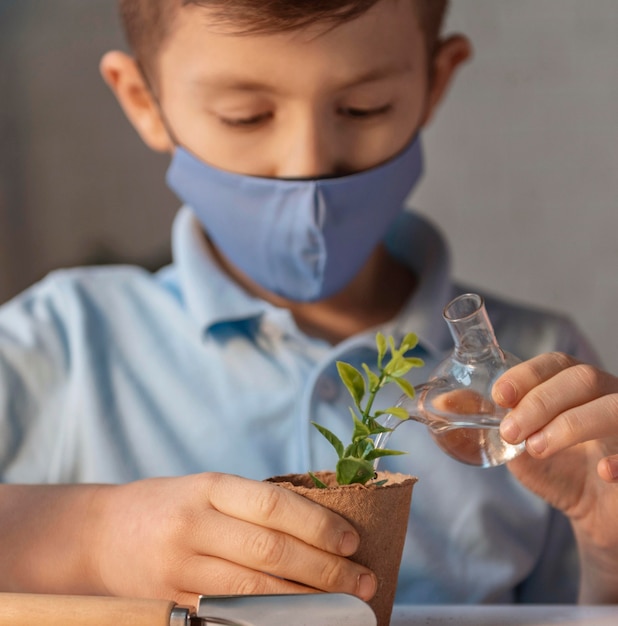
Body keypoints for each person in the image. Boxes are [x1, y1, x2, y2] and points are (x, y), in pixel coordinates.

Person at [0, 0, 617, 609]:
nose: (308, 167)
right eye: (244, 116)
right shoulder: (55, 344)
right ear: (142, 98)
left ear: (436, 81)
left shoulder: (542, 380)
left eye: (362, 107)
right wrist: (96, 535)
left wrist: (609, 554)